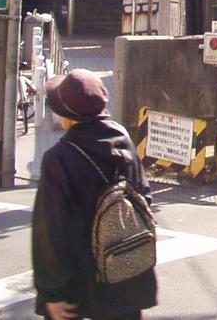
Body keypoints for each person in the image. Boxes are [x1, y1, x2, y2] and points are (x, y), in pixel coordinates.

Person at [32, 69, 157, 320]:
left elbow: (52, 230)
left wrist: (52, 292)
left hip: (81, 285)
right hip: (127, 273)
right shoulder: (123, 139)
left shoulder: (60, 157)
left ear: (67, 114)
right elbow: (144, 200)